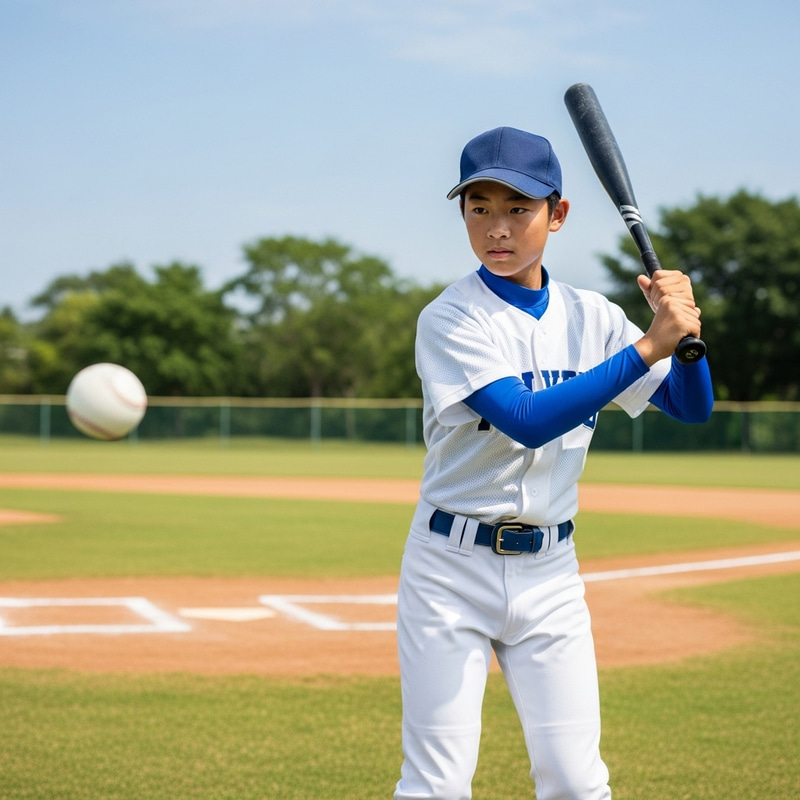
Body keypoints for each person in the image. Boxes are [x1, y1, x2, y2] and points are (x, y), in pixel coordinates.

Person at [394, 126, 713, 800]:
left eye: (519, 208)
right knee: (439, 785)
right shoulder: (452, 318)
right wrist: (649, 347)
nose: (497, 228)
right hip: (451, 569)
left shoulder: (591, 315)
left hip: (551, 575)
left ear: (558, 214)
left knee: (575, 781)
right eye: (479, 208)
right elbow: (527, 420)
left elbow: (691, 408)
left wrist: (687, 333)